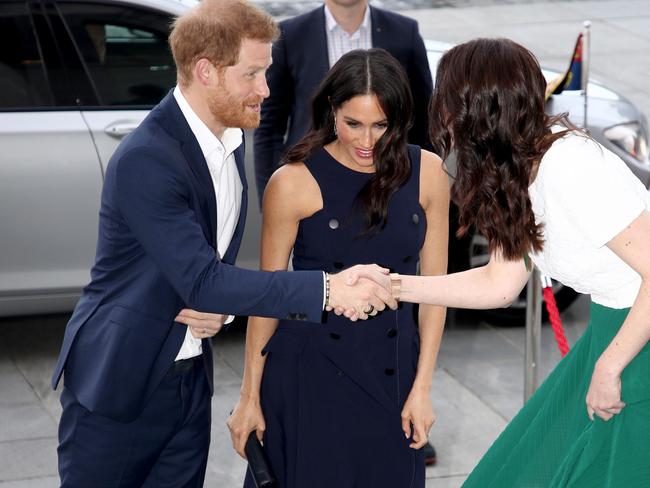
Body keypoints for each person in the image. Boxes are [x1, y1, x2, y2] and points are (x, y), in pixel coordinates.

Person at [51, 1, 396, 486]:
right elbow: (202, 278)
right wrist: (328, 290)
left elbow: (200, 276)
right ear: (205, 71)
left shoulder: (227, 142)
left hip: (189, 383)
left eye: (266, 73)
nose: (266, 90)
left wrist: (222, 310)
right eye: (252, 74)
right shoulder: (147, 158)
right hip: (121, 386)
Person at [352, 38, 650, 487]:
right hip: (618, 334)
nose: (442, 116)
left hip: (633, 342)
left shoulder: (570, 164)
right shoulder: (519, 169)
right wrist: (393, 287)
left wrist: (610, 368)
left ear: (479, 109)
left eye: (448, 101)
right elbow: (499, 283)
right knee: (518, 470)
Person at [227, 48, 449, 487]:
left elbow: (436, 293)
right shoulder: (291, 182)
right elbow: (268, 299)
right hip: (310, 373)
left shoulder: (429, 172)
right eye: (353, 123)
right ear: (331, 112)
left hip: (393, 371)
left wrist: (423, 387)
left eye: (380, 125)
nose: (367, 141)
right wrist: (249, 395)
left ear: (400, 119)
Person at [252, 0, 433, 208]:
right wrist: (273, 200)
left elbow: (424, 120)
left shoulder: (404, 33)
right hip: (311, 188)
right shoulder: (290, 35)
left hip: (389, 187)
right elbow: (268, 126)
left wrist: (420, 190)